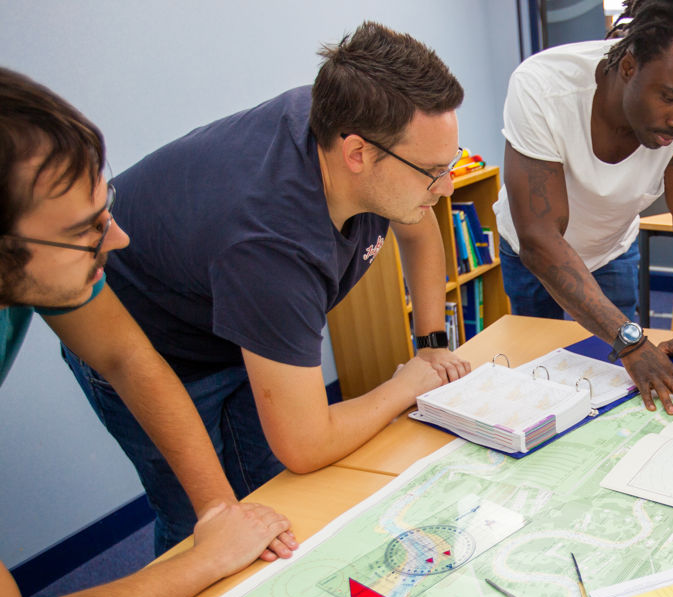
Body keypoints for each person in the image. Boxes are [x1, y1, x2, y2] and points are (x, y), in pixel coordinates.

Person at [64, 22, 472, 554]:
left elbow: (419, 235)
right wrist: (407, 384)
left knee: (273, 497)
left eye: (449, 166)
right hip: (147, 338)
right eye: (432, 173)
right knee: (203, 525)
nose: (444, 190)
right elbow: (306, 443)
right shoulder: (272, 246)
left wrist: (432, 343)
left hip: (230, 318)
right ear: (358, 155)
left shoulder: (353, 120)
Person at [0, 69, 294, 597]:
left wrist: (216, 511)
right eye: (87, 231)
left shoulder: (42, 258)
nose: (119, 239)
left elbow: (127, 355)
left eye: (105, 211)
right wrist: (205, 558)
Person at [495, 0, 673, 415]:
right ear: (629, 66)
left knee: (620, 392)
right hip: (533, 253)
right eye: (670, 98)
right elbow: (541, 236)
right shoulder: (543, 86)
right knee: (537, 384)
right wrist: (630, 340)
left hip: (612, 247)